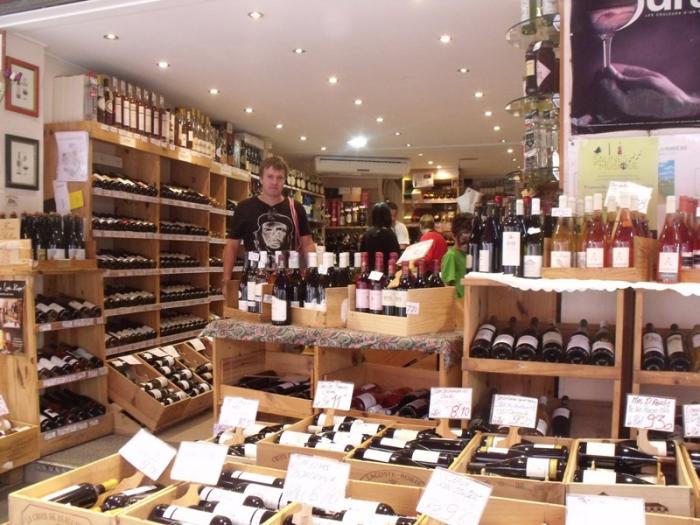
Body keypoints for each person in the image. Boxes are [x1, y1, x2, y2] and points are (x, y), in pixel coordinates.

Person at [222, 156, 316, 299]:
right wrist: (226, 280)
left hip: (287, 282)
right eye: (270, 176)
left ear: (284, 180)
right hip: (253, 281)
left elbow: (307, 244)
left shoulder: (296, 208)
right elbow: (232, 246)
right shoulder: (244, 208)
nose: (274, 182)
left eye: (279, 177)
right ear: (261, 179)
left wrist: (312, 275)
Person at [360, 202, 401, 272]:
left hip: (369, 273)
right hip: (387, 273)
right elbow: (396, 255)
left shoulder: (367, 234)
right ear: (387, 216)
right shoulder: (390, 234)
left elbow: (362, 254)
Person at [441, 213, 471, 299]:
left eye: (469, 241)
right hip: (460, 304)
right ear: (454, 236)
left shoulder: (470, 255)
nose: (466, 245)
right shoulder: (451, 256)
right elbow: (447, 287)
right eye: (462, 241)